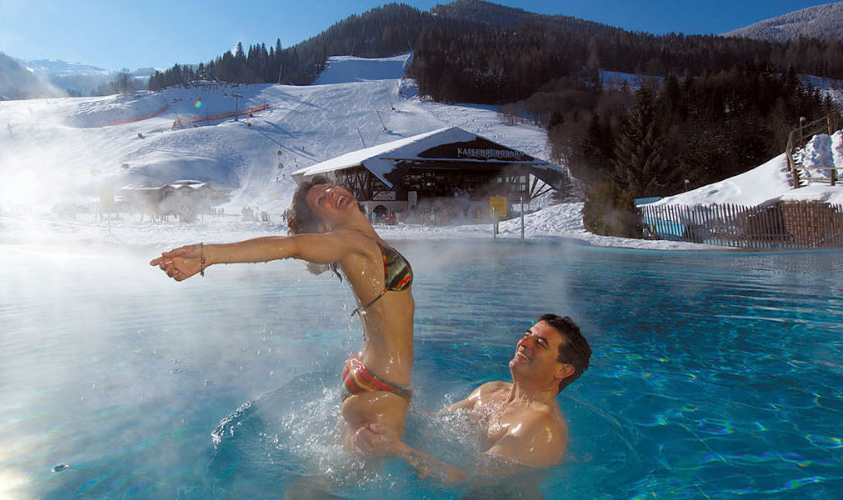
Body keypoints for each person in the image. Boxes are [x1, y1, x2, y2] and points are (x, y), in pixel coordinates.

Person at [150, 175, 415, 449]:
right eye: (321, 200)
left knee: (331, 467)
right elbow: (292, 246)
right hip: (382, 385)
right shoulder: (348, 241)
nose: (332, 193)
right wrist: (208, 255)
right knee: (381, 472)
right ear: (323, 224)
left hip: (366, 371)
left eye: (329, 187)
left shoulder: (364, 240)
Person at [353, 314, 591, 483]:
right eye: (527, 334)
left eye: (540, 343)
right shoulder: (491, 390)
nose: (523, 343)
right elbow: (433, 423)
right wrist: (381, 398)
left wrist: (397, 449)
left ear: (563, 370)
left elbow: (471, 480)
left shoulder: (539, 427)